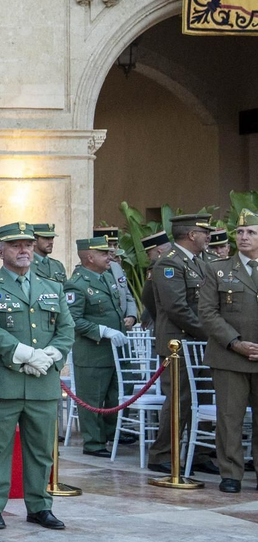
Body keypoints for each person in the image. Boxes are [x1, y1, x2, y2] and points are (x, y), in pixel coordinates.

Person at [0, 222, 74, 531]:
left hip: (43, 381)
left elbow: (66, 329)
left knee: (42, 449)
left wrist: (50, 356)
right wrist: (26, 356)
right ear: (1, 251)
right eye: (16, 245)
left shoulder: (52, 287)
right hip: (3, 381)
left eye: (28, 244)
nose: (24, 249)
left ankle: (40, 506)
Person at [148, 213, 213, 475]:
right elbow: (177, 308)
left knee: (204, 396)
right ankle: (163, 453)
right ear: (191, 235)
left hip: (199, 342)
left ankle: (200, 453)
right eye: (205, 232)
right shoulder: (169, 264)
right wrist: (211, 332)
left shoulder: (199, 262)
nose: (209, 237)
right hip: (179, 343)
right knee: (180, 399)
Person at [198, 209, 258, 493]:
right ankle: (231, 474)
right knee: (229, 418)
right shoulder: (218, 268)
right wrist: (235, 343)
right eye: (241, 232)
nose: (244, 237)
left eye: (251, 232)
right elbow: (207, 313)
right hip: (230, 356)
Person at [65, 236, 132, 459]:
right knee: (92, 398)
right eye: (104, 253)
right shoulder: (77, 283)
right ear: (90, 257)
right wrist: (103, 331)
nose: (109, 257)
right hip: (92, 352)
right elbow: (73, 319)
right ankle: (93, 442)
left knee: (116, 395)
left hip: (114, 351)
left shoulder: (106, 278)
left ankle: (111, 433)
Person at [93, 225, 139, 328]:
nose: (113, 249)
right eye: (109, 244)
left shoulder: (116, 267)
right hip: (99, 328)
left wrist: (131, 316)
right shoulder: (88, 268)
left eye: (115, 245)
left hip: (121, 326)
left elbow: (127, 295)